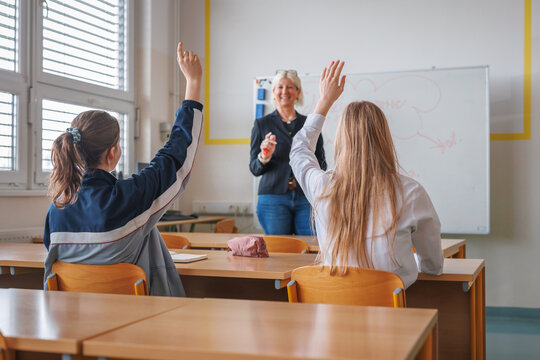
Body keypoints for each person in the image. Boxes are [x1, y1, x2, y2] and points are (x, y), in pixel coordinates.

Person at [42, 42, 203, 296]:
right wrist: (193, 82)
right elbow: (174, 157)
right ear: (112, 153)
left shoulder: (57, 208)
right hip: (134, 322)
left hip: (74, 326)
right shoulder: (127, 197)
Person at [290, 60, 443, 288]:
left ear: (341, 142)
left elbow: (299, 150)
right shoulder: (411, 192)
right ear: (384, 140)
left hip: (331, 316)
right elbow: (432, 266)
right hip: (391, 319)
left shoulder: (322, 186)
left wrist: (324, 101)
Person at [250, 70, 326, 235]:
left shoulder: (310, 124)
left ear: (298, 91)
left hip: (306, 197)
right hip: (273, 198)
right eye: (280, 87)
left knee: (309, 249)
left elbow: (322, 163)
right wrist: (264, 156)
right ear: (274, 92)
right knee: (280, 252)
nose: (284, 91)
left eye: (290, 87)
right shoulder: (261, 124)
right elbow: (254, 169)